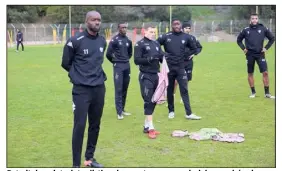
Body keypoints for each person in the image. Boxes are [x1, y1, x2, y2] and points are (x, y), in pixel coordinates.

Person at [61, 11, 106, 168]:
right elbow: (66, 63)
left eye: (99, 20)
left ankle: (89, 159)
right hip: (81, 90)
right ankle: (76, 164)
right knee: (79, 125)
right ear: (87, 22)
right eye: (93, 20)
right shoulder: (75, 40)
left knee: (95, 124)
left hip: (99, 88)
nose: (97, 22)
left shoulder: (102, 41)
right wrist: (78, 77)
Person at [157, 19, 201, 120]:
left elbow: (195, 48)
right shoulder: (166, 36)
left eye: (178, 24)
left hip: (181, 67)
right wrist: (163, 55)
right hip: (169, 67)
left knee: (184, 89)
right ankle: (171, 111)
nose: (177, 26)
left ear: (181, 25)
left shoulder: (186, 37)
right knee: (170, 89)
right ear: (172, 26)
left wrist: (186, 55)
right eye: (175, 24)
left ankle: (189, 113)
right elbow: (156, 45)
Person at [134, 25, 163, 139]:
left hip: (156, 75)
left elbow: (161, 56)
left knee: (154, 100)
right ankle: (151, 128)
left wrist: (165, 57)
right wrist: (149, 59)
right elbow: (136, 60)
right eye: (151, 32)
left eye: (154, 32)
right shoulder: (139, 44)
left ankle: (146, 126)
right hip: (146, 76)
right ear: (145, 32)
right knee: (148, 101)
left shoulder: (156, 44)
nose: (153, 33)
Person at [237, 13, 275, 99]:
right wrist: (243, 48)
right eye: (253, 19)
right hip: (249, 54)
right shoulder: (245, 30)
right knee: (250, 73)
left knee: (265, 72)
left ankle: (267, 93)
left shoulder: (263, 28)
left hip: (260, 54)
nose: (254, 20)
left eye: (256, 18)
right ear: (250, 20)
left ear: (258, 19)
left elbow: (272, 38)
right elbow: (238, 40)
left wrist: (266, 48)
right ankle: (253, 92)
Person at [106, 22, 133, 120]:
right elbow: (108, 54)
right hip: (118, 66)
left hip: (127, 65)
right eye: (122, 28)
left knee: (125, 88)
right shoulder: (114, 40)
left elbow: (130, 53)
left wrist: (125, 59)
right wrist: (115, 62)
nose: (124, 29)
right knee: (118, 89)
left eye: (126, 27)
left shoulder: (128, 41)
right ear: (119, 28)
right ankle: (119, 112)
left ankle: (122, 109)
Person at [179, 21, 202, 103]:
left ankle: (183, 96)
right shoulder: (178, 37)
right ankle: (172, 95)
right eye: (186, 28)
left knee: (186, 80)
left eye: (189, 28)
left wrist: (194, 54)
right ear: (182, 29)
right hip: (179, 62)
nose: (188, 30)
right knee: (175, 81)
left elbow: (199, 47)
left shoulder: (192, 38)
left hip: (188, 62)